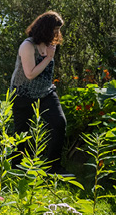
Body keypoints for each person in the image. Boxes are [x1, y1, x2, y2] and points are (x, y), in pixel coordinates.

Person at [10, 11, 71, 176]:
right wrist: (47, 58)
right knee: (22, 133)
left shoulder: (51, 44)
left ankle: (53, 167)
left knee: (59, 123)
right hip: (23, 93)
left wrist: (49, 56)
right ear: (45, 28)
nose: (57, 34)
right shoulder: (27, 45)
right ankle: (17, 169)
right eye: (55, 30)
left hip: (45, 92)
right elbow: (29, 74)